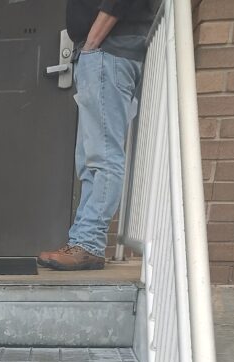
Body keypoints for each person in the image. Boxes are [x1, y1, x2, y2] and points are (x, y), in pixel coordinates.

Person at [38, 0, 156, 272]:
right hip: (108, 50)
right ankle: (82, 241)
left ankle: (88, 243)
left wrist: (92, 42)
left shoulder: (105, 48)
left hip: (108, 50)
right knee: (92, 159)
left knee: (103, 157)